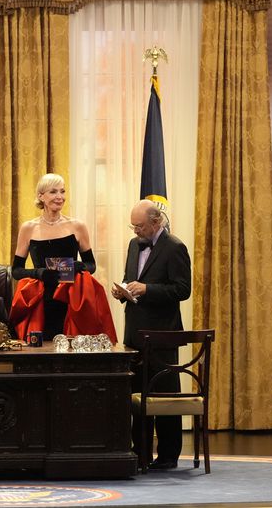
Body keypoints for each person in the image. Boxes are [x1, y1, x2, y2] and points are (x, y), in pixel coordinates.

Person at [111, 199, 191, 471]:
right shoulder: (134, 245)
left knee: (164, 395)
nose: (135, 231)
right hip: (134, 333)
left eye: (140, 226)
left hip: (163, 334)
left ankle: (168, 456)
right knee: (137, 396)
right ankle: (140, 453)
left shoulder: (175, 247)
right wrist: (122, 291)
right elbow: (130, 277)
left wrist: (147, 289)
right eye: (132, 226)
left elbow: (182, 290)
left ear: (156, 222)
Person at [11, 173, 97, 340]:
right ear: (40, 196)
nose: (60, 197)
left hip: (71, 299)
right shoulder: (28, 228)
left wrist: (80, 266)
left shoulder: (78, 226)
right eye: (53, 192)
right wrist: (39, 273)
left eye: (62, 191)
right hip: (40, 301)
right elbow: (16, 270)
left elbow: (91, 265)